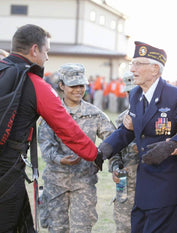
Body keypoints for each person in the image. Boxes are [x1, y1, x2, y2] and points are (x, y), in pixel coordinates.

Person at [0, 24, 98, 233]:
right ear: (35, 49)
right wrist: (95, 154)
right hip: (7, 170)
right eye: (46, 52)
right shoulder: (36, 84)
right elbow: (68, 130)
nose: (47, 58)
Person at [98, 41, 177, 233]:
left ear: (154, 69)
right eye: (132, 64)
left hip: (168, 183)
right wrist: (103, 150)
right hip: (145, 182)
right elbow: (129, 129)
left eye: (138, 64)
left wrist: (174, 144)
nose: (132, 69)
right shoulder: (135, 94)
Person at [38, 63, 116, 233]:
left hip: (83, 182)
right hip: (56, 182)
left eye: (81, 85)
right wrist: (59, 159)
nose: (78, 90)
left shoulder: (94, 113)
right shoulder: (52, 113)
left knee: (82, 229)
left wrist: (101, 157)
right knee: (57, 229)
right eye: (73, 85)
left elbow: (112, 139)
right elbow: (45, 144)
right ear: (61, 86)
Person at [108, 71, 138, 233]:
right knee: (124, 228)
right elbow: (114, 152)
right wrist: (115, 167)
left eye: (136, 91)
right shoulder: (121, 119)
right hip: (125, 187)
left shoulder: (159, 117)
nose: (132, 96)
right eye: (128, 92)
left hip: (149, 186)